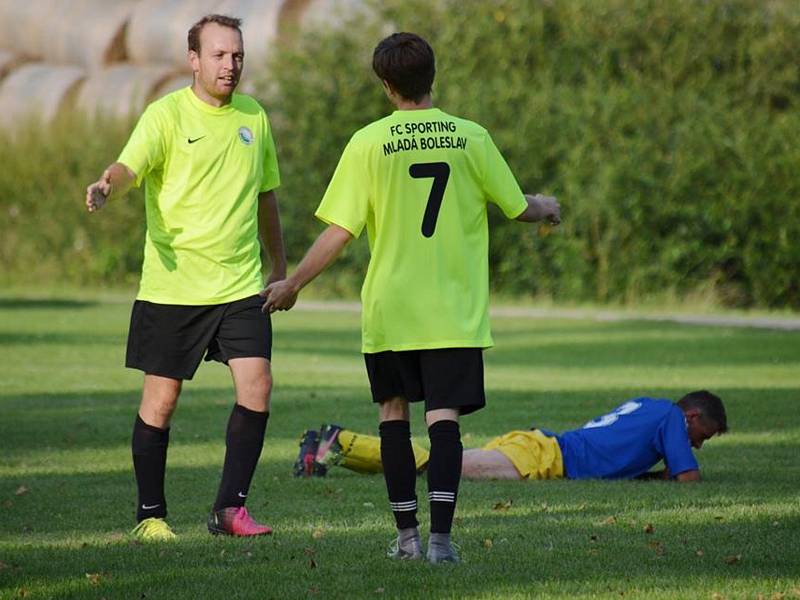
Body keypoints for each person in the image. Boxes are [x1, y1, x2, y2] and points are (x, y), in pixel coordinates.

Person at [264, 32, 560, 563]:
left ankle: (407, 539)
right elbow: (519, 208)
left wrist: (293, 283)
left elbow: (339, 231)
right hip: (452, 312)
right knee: (443, 421)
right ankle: (442, 543)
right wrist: (548, 204)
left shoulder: (368, 143)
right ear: (433, 76)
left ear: (385, 85)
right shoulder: (471, 137)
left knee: (394, 416)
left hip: (392, 311)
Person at [84, 14, 286, 541]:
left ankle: (229, 511)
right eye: (219, 55)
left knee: (258, 385)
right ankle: (150, 516)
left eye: (237, 55)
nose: (230, 65)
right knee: (162, 401)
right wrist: (108, 184)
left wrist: (279, 265)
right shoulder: (165, 115)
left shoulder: (254, 117)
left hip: (240, 284)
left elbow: (267, 197)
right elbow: (130, 167)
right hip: (174, 288)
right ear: (193, 59)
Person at [296, 391, 728, 483]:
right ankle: (339, 441)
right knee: (439, 466)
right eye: (701, 435)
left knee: (439, 465)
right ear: (690, 415)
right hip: (543, 457)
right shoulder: (671, 419)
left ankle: (330, 449)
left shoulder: (651, 406)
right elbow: (687, 480)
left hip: (538, 446)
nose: (697, 444)